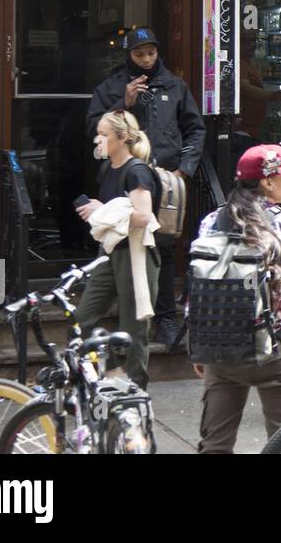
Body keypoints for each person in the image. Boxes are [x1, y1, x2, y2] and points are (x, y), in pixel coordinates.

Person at [193, 144, 281, 453]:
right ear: (267, 182)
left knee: (214, 445)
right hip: (273, 351)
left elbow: (199, 285)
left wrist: (199, 345)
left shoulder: (211, 222)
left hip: (219, 349)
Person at [87, 26, 205, 347]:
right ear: (129, 54)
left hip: (166, 179)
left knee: (165, 246)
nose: (146, 59)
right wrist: (124, 102)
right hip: (126, 178)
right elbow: (95, 131)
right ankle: (112, 314)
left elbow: (195, 129)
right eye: (139, 54)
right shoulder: (111, 86)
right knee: (118, 243)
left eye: (151, 53)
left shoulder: (175, 86)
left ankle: (166, 319)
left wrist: (184, 169)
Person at [75, 110, 162, 389]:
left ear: (122, 138)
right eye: (97, 134)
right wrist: (99, 212)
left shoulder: (136, 170)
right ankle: (113, 372)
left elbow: (143, 215)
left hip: (135, 253)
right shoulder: (106, 168)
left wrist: (104, 210)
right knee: (83, 319)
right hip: (109, 250)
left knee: (135, 329)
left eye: (104, 134)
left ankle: (136, 390)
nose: (97, 140)